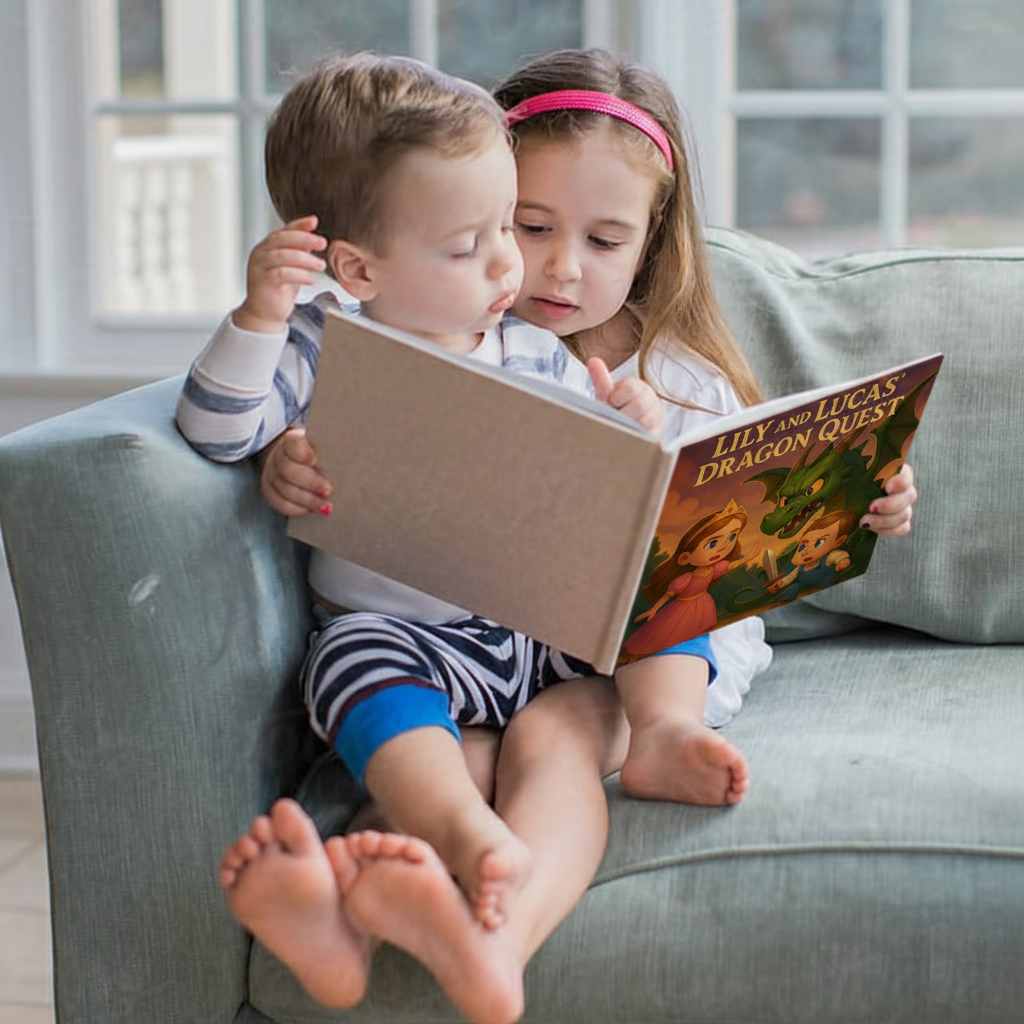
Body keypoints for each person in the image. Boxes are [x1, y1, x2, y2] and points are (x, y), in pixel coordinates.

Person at [262, 47, 917, 807]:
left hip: (637, 667)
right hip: (458, 647)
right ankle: (455, 880)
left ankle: (641, 757)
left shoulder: (681, 383)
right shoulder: (422, 333)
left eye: (604, 242)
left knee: (550, 740)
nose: (560, 268)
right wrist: (289, 452)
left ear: (649, 241)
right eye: (526, 225)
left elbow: (735, 551)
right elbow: (290, 399)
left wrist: (866, 493)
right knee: (453, 764)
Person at [177, 52, 664, 1024]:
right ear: (357, 268)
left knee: (570, 733)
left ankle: (415, 905)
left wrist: (631, 429)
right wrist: (257, 317)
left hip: (533, 635)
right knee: (354, 664)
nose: (506, 266)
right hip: (404, 640)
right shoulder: (316, 347)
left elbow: (597, 490)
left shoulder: (532, 349)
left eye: (504, 229)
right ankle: (468, 843)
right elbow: (214, 428)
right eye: (469, 242)